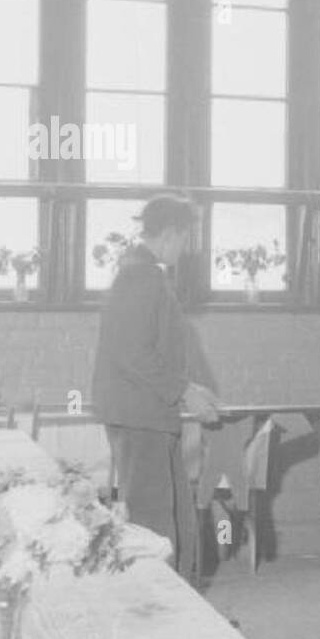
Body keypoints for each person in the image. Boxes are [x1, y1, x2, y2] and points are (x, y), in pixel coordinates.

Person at [91, 194, 220, 586]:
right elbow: (132, 351)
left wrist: (190, 387)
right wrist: (184, 390)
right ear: (171, 233)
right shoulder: (141, 276)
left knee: (175, 516)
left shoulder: (143, 272)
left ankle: (181, 606)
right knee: (154, 524)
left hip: (147, 414)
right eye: (187, 238)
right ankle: (159, 611)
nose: (188, 248)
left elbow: (148, 348)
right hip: (140, 417)